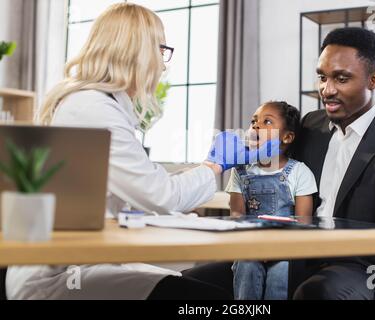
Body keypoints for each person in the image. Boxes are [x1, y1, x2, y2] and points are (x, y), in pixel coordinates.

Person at [5, 3, 278, 300]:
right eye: (161, 50)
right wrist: (214, 165)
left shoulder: (98, 105)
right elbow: (160, 195)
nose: (163, 64)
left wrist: (189, 213)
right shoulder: (93, 109)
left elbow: (141, 192)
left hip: (82, 264)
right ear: (137, 52)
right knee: (206, 298)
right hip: (59, 278)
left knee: (212, 284)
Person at [183, 27, 375, 300]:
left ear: (373, 80)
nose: (327, 90)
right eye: (322, 77)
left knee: (316, 293)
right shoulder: (310, 125)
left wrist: (320, 243)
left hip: (366, 270)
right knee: (187, 284)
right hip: (300, 256)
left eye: (341, 78)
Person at [225, 101, 317, 300]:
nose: (256, 125)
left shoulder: (299, 172)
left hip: (286, 247)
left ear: (287, 137)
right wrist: (254, 247)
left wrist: (278, 249)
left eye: (267, 121)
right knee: (246, 264)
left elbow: (303, 223)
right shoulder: (240, 171)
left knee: (282, 271)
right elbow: (237, 217)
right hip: (250, 244)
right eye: (253, 121)